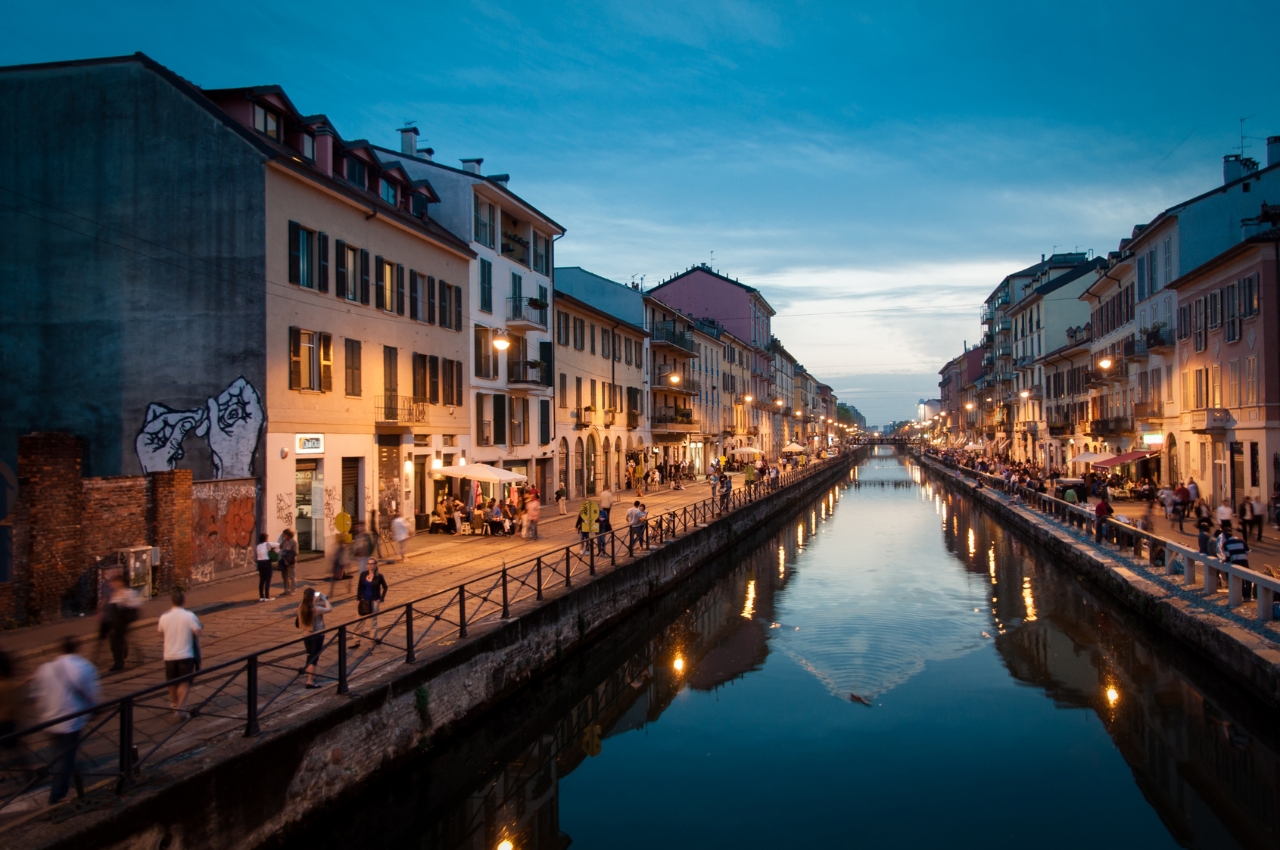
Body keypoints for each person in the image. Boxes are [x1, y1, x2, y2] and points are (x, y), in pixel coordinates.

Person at [32, 637, 100, 804]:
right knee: (66, 756)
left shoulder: (44, 668)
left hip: (48, 719)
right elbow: (92, 694)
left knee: (60, 753)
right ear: (77, 648)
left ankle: (70, 776)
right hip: (70, 719)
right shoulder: (84, 666)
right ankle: (57, 796)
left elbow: (35, 695)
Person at [157, 591, 202, 718]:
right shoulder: (189, 615)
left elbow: (160, 633)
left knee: (172, 682)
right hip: (186, 654)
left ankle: (175, 704)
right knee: (184, 682)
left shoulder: (164, 617)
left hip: (169, 655)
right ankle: (181, 709)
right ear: (183, 601)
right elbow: (197, 632)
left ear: (171, 601)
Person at [101, 575, 142, 671]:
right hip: (115, 622)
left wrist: (125, 611)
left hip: (122, 622)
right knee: (115, 639)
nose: (113, 584)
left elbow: (135, 606)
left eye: (115, 582)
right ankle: (122, 656)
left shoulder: (127, 593)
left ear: (121, 583)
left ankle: (118, 663)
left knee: (117, 641)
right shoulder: (115, 594)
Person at [296, 587, 333, 689]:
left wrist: (314, 599)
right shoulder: (316, 609)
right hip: (317, 635)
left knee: (309, 655)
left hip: (306, 635)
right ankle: (310, 682)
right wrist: (325, 599)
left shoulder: (301, 606)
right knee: (314, 658)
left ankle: (310, 676)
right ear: (312, 597)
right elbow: (330, 609)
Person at [352, 561, 389, 648]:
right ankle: (356, 641)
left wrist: (381, 599)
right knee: (358, 622)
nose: (370, 565)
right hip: (363, 601)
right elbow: (359, 587)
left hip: (374, 602)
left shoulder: (379, 576)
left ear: (376, 565)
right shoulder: (363, 574)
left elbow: (385, 587)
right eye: (368, 563)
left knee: (373, 623)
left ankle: (372, 642)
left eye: (372, 564)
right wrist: (358, 599)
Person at [1219, 527, 1253, 602]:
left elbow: (1227, 556)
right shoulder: (1242, 540)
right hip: (1244, 561)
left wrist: (1226, 560)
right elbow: (1247, 552)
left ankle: (1242, 595)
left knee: (1239, 579)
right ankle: (1248, 597)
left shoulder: (1226, 544)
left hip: (1235, 562)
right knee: (1247, 579)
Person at [255, 533, 278, 602]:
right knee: (268, 579)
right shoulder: (267, 544)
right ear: (266, 538)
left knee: (262, 580)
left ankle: (261, 596)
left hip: (260, 563)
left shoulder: (258, 546)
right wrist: (274, 550)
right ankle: (267, 596)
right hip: (267, 562)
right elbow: (278, 545)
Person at [278, 528, 298, 595]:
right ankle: (286, 590)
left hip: (290, 561)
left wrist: (288, 554)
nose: (284, 536)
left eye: (285, 535)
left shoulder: (294, 542)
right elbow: (280, 547)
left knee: (292, 576)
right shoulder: (285, 540)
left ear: (288, 535)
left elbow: (296, 552)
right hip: (284, 560)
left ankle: (293, 590)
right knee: (285, 576)